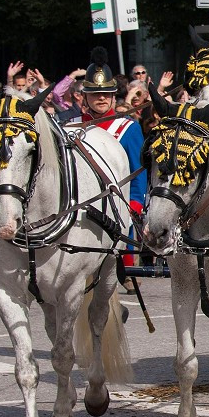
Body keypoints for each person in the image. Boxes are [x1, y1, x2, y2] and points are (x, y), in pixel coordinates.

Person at [78, 48, 146, 277]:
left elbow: (138, 173)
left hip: (117, 212)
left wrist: (134, 207)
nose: (101, 98)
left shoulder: (128, 128)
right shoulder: (72, 127)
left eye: (106, 94)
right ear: (84, 96)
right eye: (95, 94)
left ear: (113, 95)